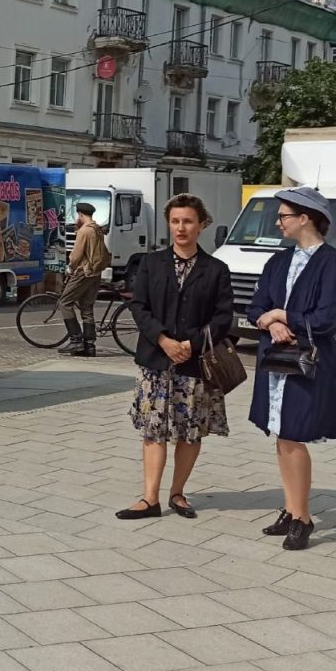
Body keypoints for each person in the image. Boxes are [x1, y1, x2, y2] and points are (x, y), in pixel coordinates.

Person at [246, 186, 336, 551]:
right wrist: (270, 321)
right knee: (282, 434)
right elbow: (255, 305)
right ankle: (292, 509)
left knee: (293, 434)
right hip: (276, 360)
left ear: (305, 217)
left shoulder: (333, 262)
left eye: (284, 216)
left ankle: (302, 518)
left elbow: (329, 316)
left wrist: (284, 315)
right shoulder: (277, 261)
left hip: (307, 363)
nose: (278, 222)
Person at [116, 194, 235, 521]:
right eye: (175, 221)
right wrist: (163, 339)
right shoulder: (152, 264)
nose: (181, 228)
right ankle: (149, 498)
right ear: (169, 224)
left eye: (188, 221)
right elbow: (139, 307)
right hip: (156, 359)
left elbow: (224, 317)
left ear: (201, 225)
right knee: (153, 429)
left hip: (195, 364)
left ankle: (177, 493)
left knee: (189, 430)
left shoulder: (217, 270)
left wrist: (189, 344)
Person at [60, 202, 109, 356]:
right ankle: (89, 345)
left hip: (84, 271)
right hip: (96, 272)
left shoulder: (84, 231)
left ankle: (76, 341)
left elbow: (76, 256)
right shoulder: (97, 229)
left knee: (64, 302)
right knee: (86, 306)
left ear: (80, 214)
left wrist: (71, 267)